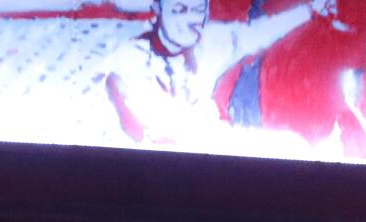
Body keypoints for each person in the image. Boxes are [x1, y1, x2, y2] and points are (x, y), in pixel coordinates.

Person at [105, 0, 344, 146]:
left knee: (294, 147)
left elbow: (257, 33)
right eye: (179, 9)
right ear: (158, 8)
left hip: (208, 160)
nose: (190, 20)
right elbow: (162, 124)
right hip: (149, 177)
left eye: (198, 10)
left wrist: (309, 10)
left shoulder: (207, 42)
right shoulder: (130, 57)